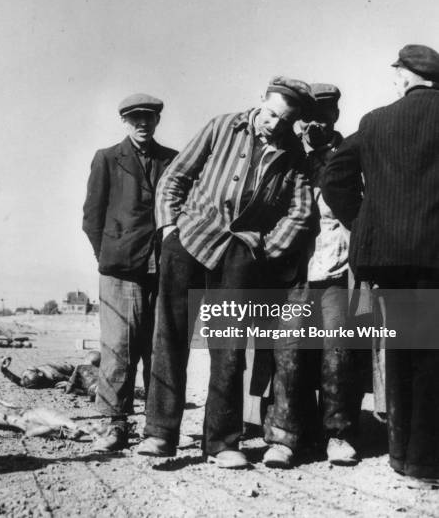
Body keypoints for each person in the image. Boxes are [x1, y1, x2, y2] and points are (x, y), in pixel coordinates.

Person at [137, 76, 314, 468]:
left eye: (284, 120)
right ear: (260, 102)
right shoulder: (221, 126)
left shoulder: (294, 155)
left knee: (229, 349)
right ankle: (159, 434)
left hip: (240, 255)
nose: (273, 124)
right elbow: (176, 177)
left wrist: (265, 249)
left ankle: (222, 442)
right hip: (189, 240)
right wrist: (169, 228)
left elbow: (300, 211)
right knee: (170, 338)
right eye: (270, 114)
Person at [322, 44, 439, 486]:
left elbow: (333, 176)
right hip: (433, 257)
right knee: (431, 358)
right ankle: (426, 463)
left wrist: (364, 221)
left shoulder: (374, 122)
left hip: (387, 258)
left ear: (406, 77)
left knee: (402, 351)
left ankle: (400, 455)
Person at [263, 83, 362, 468]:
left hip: (338, 270)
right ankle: (283, 439)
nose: (314, 124)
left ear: (336, 115)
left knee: (338, 356)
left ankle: (339, 435)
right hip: (295, 273)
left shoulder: (354, 153)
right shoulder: (290, 157)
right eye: (308, 118)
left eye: (324, 115)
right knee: (288, 356)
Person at [82, 93, 178, 452]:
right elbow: (92, 218)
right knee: (118, 349)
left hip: (163, 269)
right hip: (120, 270)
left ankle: (157, 428)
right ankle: (114, 425)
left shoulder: (173, 160)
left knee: (159, 349)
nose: (142, 124)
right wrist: (109, 255)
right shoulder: (107, 159)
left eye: (149, 118)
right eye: (135, 118)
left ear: (157, 121)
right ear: (125, 121)